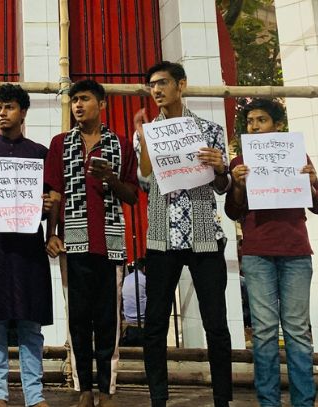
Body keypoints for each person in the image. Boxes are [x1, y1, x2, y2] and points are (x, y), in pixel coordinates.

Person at [133, 61, 233, 407]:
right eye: (152, 85)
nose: (156, 90)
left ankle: (222, 399)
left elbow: (222, 187)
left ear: (181, 85)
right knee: (155, 324)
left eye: (163, 83)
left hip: (204, 234)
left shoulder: (210, 130)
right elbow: (145, 181)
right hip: (162, 235)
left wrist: (220, 168)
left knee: (216, 323)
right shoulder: (147, 133)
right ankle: (158, 398)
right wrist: (144, 137)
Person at [44, 79, 139, 407]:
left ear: (102, 104)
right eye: (74, 101)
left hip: (110, 245)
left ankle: (107, 390)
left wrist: (111, 178)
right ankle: (83, 388)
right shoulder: (60, 144)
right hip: (72, 244)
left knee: (109, 321)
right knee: (78, 320)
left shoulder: (121, 144)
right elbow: (54, 193)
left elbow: (132, 196)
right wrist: (51, 234)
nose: (78, 105)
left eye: (84, 99)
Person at [225, 99, 318, 407]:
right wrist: (238, 185)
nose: (254, 126)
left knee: (297, 330)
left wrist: (311, 183)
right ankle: (268, 402)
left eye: (262, 120)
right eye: (250, 121)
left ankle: (304, 402)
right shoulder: (239, 161)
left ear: (277, 125)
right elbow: (232, 211)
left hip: (296, 253)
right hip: (257, 254)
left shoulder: (298, 155)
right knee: (264, 331)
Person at [0, 84, 54, 407]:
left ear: (23, 112)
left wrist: (47, 207)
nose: (2, 113)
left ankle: (34, 395)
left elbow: (49, 200)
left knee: (30, 322)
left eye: (8, 107)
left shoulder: (39, 153)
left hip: (28, 248)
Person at [120, 260, 146, 347]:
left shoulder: (126, 279)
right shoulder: (145, 280)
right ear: (144, 268)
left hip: (127, 319)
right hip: (142, 320)